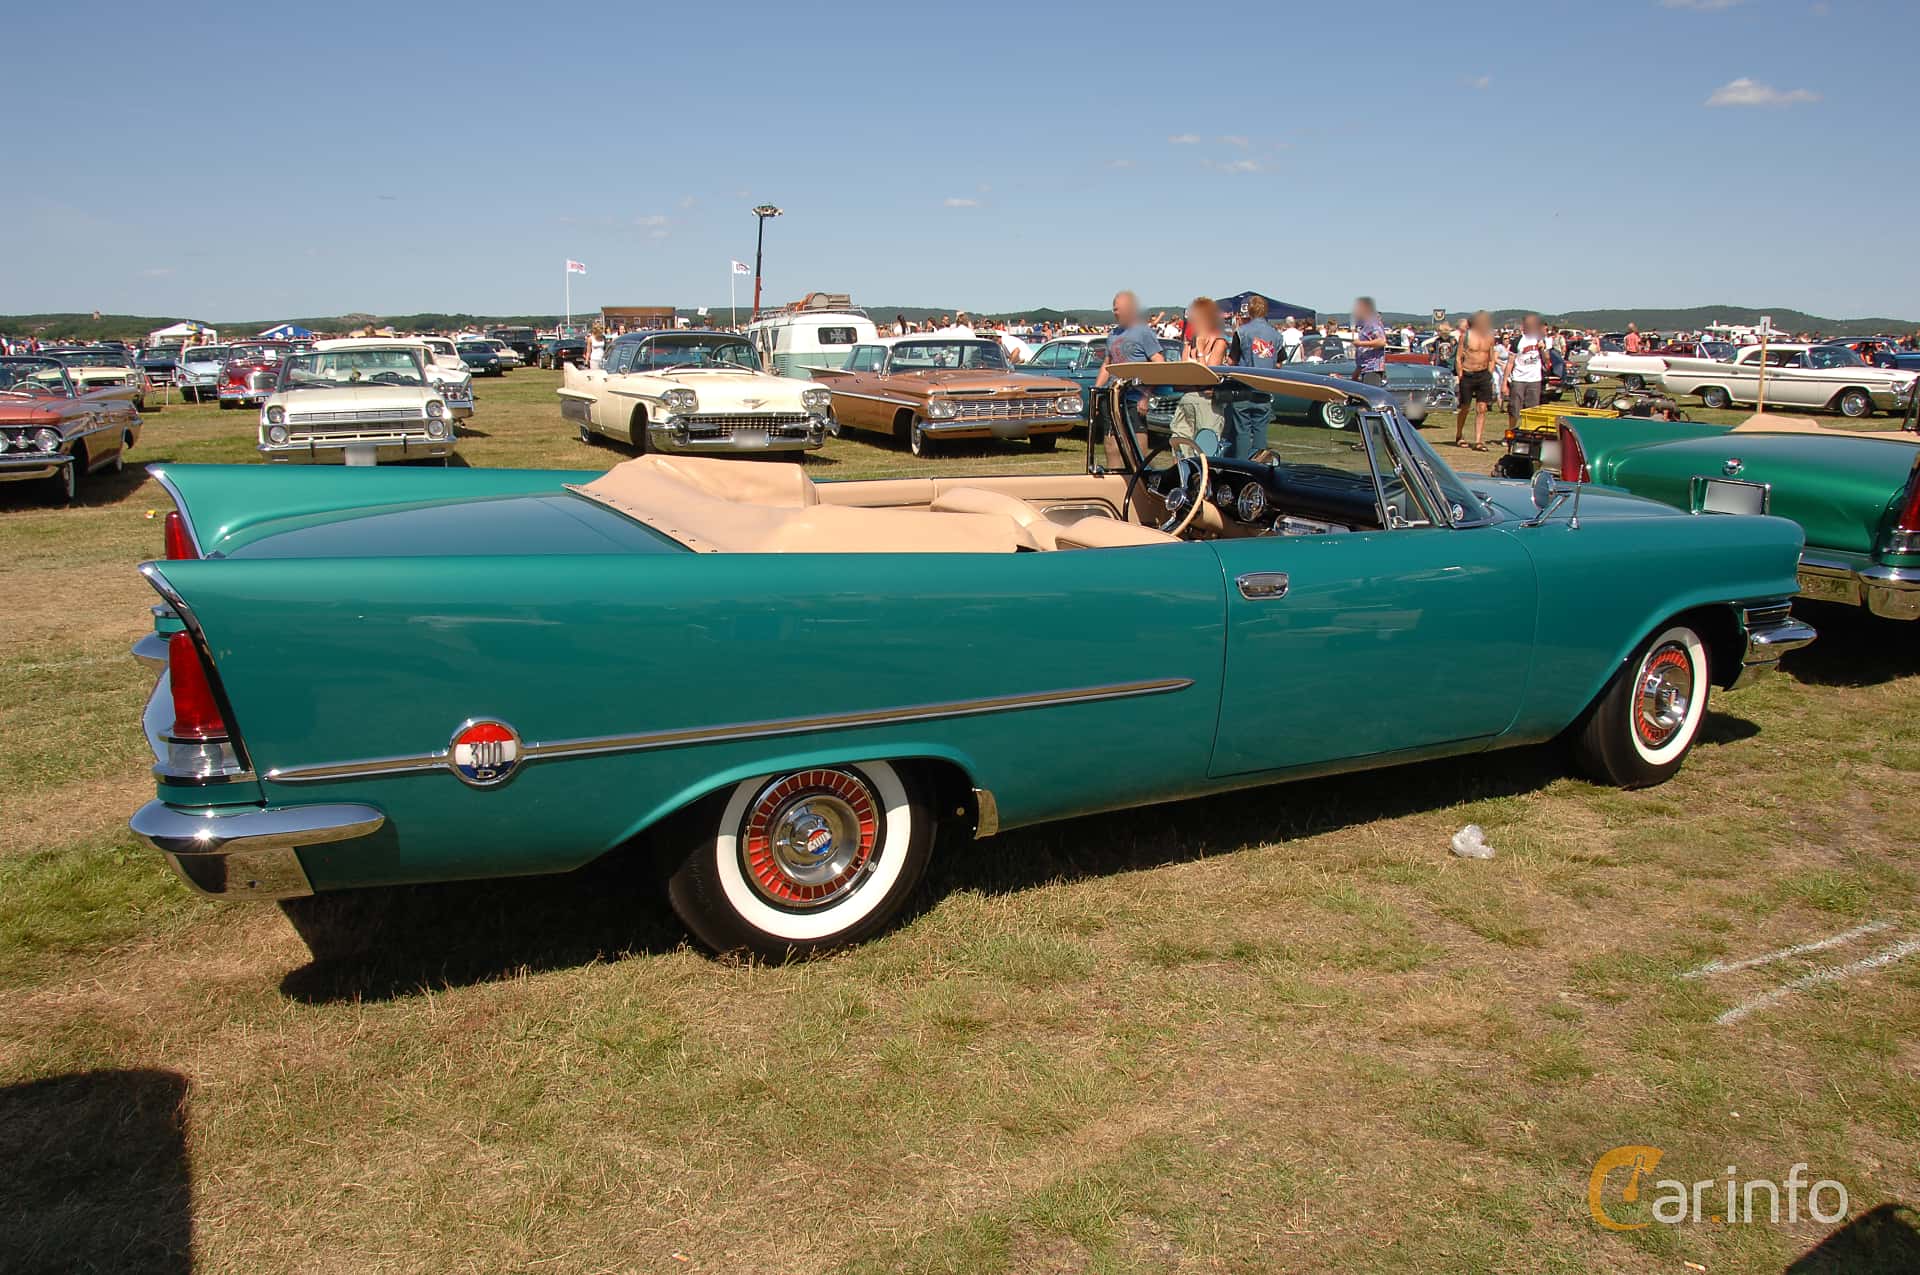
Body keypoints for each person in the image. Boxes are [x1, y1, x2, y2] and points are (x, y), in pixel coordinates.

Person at [1093, 290, 1168, 463]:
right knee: (1111, 443)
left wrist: (1146, 395)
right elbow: (1107, 364)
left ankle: (1139, 481)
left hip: (1135, 397)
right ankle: (1115, 479)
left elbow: (1159, 363)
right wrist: (1098, 391)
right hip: (1113, 396)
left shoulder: (1144, 332)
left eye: (1118, 309)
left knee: (1137, 448)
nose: (1115, 312)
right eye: (1114, 309)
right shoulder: (1113, 335)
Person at [1224, 298, 1281, 458]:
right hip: (1264, 390)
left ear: (1249, 311)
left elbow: (1232, 361)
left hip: (1243, 388)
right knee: (1260, 433)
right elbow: (1278, 364)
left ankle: (1242, 466)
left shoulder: (1242, 332)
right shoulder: (1276, 335)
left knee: (1242, 432)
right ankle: (1259, 466)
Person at [1452, 311, 1495, 450]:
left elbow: (1492, 357)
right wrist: (1460, 374)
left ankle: (1478, 441)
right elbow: (1458, 357)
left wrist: (1490, 373)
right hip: (1468, 374)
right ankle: (1459, 435)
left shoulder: (1489, 337)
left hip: (1483, 375)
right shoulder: (1465, 337)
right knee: (1465, 407)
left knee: (1482, 408)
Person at [1503, 313, 1548, 429]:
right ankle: (1511, 430)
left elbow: (1547, 360)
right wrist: (1504, 383)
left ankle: (1529, 432)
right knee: (1514, 408)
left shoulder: (1539, 339)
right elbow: (1510, 362)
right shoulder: (1517, 341)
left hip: (1534, 379)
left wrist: (1542, 349)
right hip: (1519, 379)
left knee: (1532, 410)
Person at [1351, 297, 1387, 387]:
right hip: (1364, 368)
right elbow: (1363, 352)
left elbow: (1381, 341)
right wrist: (1356, 372)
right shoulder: (1364, 326)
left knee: (1371, 398)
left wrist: (1360, 343)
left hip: (1372, 368)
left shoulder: (1373, 324)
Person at [1182, 297, 1229, 366]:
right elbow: (1183, 373)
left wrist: (1200, 351)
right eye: (1192, 319)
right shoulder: (1189, 346)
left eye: (1197, 320)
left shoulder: (1219, 344)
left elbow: (1210, 375)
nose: (1193, 323)